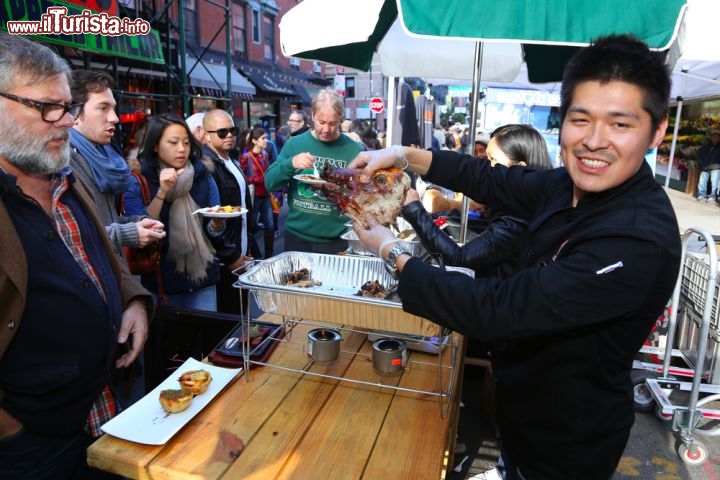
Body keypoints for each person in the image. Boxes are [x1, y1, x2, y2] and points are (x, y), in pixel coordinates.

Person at [350, 34, 681, 479]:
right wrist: (404, 154)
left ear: (656, 131)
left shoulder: (636, 239)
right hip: (520, 411)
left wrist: (391, 252)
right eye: (580, 120)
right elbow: (491, 180)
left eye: (620, 124)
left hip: (568, 442)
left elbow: (497, 309)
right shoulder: (566, 184)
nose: (595, 141)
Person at [0, 33, 152, 480]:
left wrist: (134, 301)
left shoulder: (66, 180)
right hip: (30, 449)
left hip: (105, 413)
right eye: (46, 107)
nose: (65, 121)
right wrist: (12, 432)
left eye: (66, 106)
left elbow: (99, 259)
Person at [402, 124, 552, 278]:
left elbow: (459, 259)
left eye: (492, 160)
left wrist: (414, 210)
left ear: (520, 169)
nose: (486, 167)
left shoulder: (518, 218)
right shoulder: (526, 206)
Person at [124, 113, 226, 310]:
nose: (182, 149)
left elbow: (214, 229)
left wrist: (217, 224)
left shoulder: (203, 175)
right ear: (155, 145)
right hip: (162, 284)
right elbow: (142, 231)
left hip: (203, 279)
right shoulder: (138, 180)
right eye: (173, 142)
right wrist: (162, 191)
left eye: (187, 143)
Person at [68, 70, 165, 262]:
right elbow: (69, 236)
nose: (115, 117)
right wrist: (126, 233)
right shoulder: (62, 163)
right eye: (103, 108)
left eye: (113, 108)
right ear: (75, 113)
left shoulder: (104, 156)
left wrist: (136, 223)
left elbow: (104, 220)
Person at [265, 89, 363, 253]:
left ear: (340, 119)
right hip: (297, 238)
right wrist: (291, 164)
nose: (326, 129)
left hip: (337, 240)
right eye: (321, 122)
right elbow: (269, 183)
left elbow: (363, 197)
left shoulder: (354, 150)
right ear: (312, 116)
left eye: (332, 123)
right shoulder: (294, 144)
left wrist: (334, 187)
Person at [200, 109, 254, 313]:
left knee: (241, 315)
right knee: (228, 320)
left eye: (233, 130)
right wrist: (231, 255)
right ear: (206, 135)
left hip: (239, 254)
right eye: (222, 132)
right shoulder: (207, 167)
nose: (230, 135)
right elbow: (211, 218)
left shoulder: (232, 161)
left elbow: (243, 212)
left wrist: (247, 249)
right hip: (223, 261)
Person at [240, 125, 276, 258]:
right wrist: (259, 179)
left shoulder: (265, 155)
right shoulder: (246, 157)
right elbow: (243, 177)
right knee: (251, 226)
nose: (266, 140)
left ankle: (269, 256)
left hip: (265, 194)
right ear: (254, 141)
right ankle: (251, 253)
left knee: (270, 226)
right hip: (253, 196)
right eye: (263, 138)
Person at [695, 129, 720, 202]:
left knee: (715, 183)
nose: (715, 138)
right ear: (711, 137)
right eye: (713, 136)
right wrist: (701, 163)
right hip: (705, 166)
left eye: (717, 136)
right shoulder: (706, 146)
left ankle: (713, 196)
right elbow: (699, 155)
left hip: (716, 167)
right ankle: (701, 195)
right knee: (701, 182)